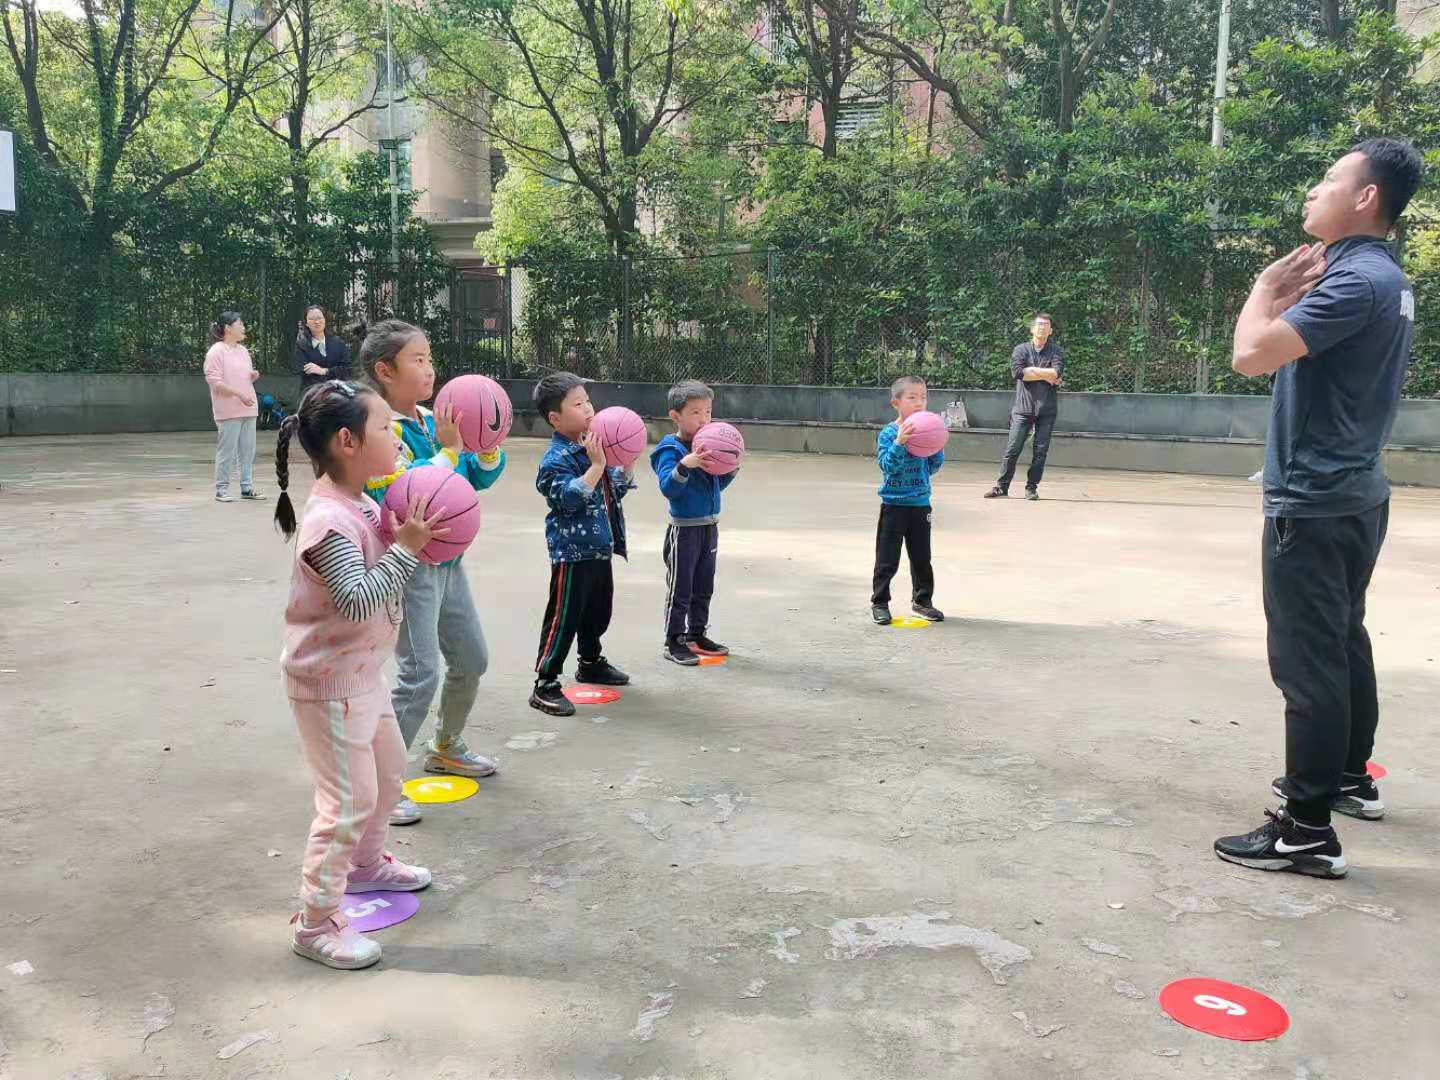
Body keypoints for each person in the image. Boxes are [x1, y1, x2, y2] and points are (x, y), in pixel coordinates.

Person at [1214, 138, 1423, 879]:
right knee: (1342, 640)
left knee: (1307, 664)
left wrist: (1262, 288)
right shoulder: (1384, 277)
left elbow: (1250, 355)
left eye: (1330, 178)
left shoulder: (1354, 281)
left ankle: (1305, 830)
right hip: (1356, 492)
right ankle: (1347, 778)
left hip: (1314, 497)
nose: (1313, 189)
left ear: (1366, 198)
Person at [274, 380, 443, 969]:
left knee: (389, 777)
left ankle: (367, 867)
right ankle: (315, 922)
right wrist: (407, 549)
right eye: (384, 428)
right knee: (347, 803)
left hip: (363, 675)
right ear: (348, 442)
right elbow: (356, 598)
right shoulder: (328, 522)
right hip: (328, 686)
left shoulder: (364, 503)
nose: (397, 437)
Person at [360, 320, 506, 827]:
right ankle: (378, 784)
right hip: (412, 567)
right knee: (420, 675)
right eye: (417, 360)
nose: (429, 369)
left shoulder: (430, 419)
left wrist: (485, 447)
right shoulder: (383, 429)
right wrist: (449, 450)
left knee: (472, 658)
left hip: (450, 563)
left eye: (429, 358)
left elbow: (472, 481)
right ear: (385, 371)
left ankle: (446, 746)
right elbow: (401, 492)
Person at [530, 372, 634, 717]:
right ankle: (545, 683)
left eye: (588, 401)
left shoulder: (593, 447)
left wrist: (625, 464)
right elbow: (569, 498)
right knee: (564, 618)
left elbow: (612, 491)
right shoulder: (556, 459)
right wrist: (598, 464)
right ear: (555, 418)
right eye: (578, 404)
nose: (588, 408)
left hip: (599, 549)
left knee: (597, 612)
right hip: (572, 553)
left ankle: (590, 662)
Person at [650, 380, 737, 666]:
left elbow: (715, 487)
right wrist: (684, 465)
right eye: (696, 412)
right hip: (683, 531)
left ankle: (696, 635)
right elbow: (668, 487)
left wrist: (730, 468)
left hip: (709, 527)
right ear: (675, 416)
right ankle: (674, 640)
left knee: (703, 585)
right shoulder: (670, 449)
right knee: (681, 589)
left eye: (708, 412)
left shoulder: (709, 445)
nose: (704, 419)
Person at [872, 376, 945, 626]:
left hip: (920, 504)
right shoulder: (889, 433)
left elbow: (932, 466)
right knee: (887, 559)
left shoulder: (926, 429)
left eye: (923, 397)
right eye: (912, 397)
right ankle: (880, 602)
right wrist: (900, 443)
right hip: (893, 505)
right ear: (896, 402)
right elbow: (887, 466)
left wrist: (936, 445)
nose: (919, 403)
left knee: (922, 557)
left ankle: (922, 602)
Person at [986, 314, 1064, 501]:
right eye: (1039, 324)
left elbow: (1056, 373)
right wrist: (1046, 375)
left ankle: (1031, 488)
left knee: (1040, 451)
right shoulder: (1020, 349)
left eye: (1046, 325)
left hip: (1047, 410)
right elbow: (1018, 372)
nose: (1042, 327)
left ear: (1051, 330)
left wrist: (1032, 371)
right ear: (1032, 329)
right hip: (1022, 409)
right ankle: (1002, 487)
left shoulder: (1056, 351)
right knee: (1013, 448)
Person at [204, 311, 264, 503]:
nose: (244, 328)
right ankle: (221, 489)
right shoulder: (216, 352)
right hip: (229, 410)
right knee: (227, 451)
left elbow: (241, 376)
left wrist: (251, 376)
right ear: (228, 328)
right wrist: (239, 394)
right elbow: (215, 382)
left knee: (247, 451)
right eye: (240, 324)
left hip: (248, 406)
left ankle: (246, 487)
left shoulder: (243, 351)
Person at [294, 305, 353, 397]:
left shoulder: (338, 343)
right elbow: (308, 374)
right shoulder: (302, 345)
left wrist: (324, 371)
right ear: (306, 323)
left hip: (338, 395)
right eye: (312, 319)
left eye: (319, 318)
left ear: (325, 320)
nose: (317, 322)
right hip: (313, 395)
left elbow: (347, 370)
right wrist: (335, 372)